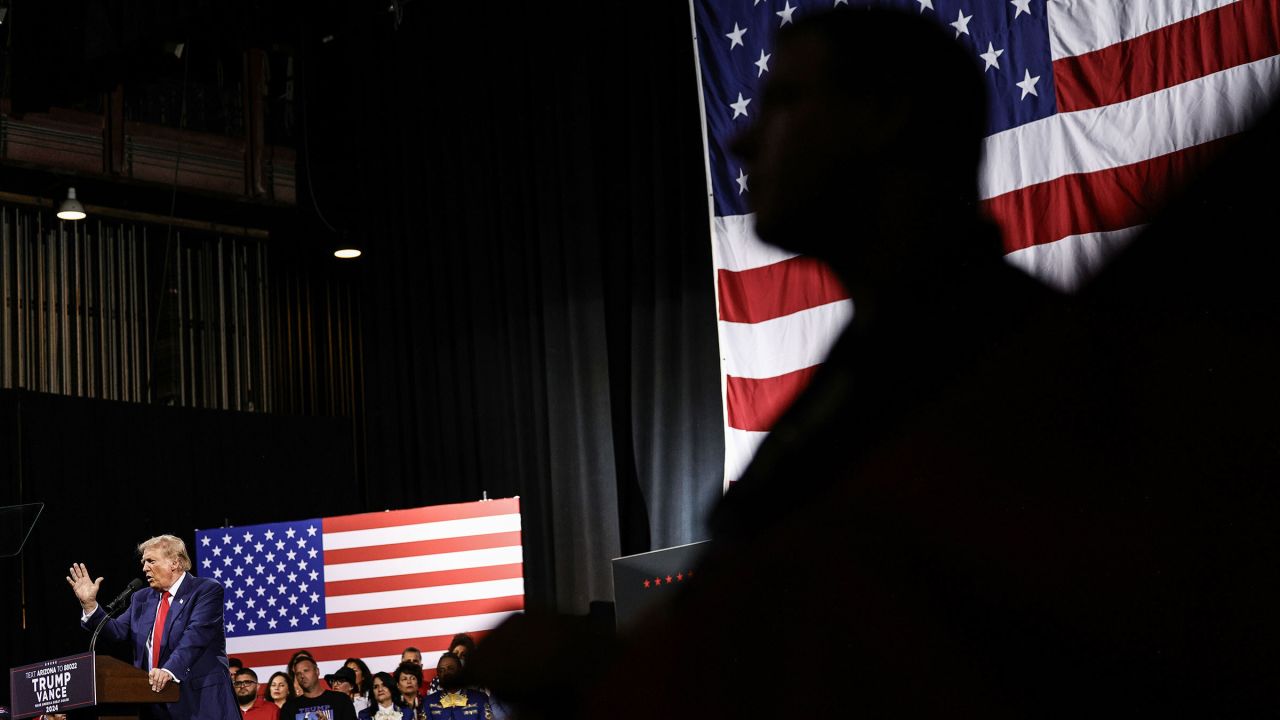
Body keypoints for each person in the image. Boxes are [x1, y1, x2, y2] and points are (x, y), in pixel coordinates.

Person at [68, 534, 239, 720]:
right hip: (154, 704)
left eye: (151, 561)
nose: (144, 568)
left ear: (175, 563)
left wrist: (168, 670)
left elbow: (195, 636)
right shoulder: (142, 598)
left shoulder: (205, 590)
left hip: (201, 702)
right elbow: (116, 632)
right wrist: (90, 605)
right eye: (143, 562)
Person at [279, 656, 356, 720]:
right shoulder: (289, 707)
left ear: (317, 671)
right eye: (298, 673)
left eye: (306, 671)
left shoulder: (341, 700)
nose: (302, 676)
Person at [422, 654, 490, 720]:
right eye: (441, 670)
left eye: (450, 669)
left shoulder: (480, 699)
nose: (445, 673)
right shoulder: (428, 701)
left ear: (460, 671)